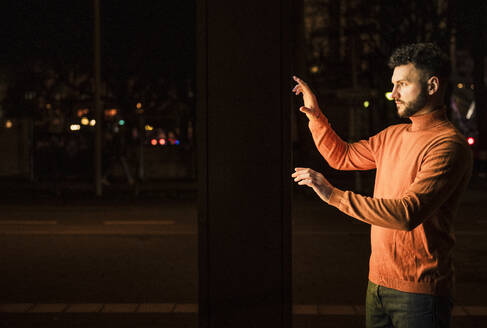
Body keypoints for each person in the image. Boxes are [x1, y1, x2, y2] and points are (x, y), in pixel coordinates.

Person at [291, 43, 473, 328]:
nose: (394, 93)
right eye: (393, 85)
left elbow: (406, 214)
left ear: (432, 85)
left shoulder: (448, 145)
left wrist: (333, 195)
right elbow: (343, 156)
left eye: (402, 84)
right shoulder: (393, 135)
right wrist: (314, 114)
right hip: (376, 284)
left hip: (420, 294)